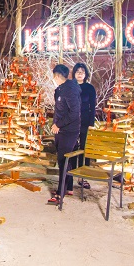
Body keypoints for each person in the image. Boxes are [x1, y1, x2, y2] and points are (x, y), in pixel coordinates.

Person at [48, 64, 81, 204]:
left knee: (63, 161)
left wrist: (58, 125)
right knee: (64, 161)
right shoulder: (60, 90)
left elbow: (74, 113)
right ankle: (67, 187)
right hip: (61, 130)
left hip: (69, 131)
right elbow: (60, 111)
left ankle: (60, 194)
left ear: (56, 76)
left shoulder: (70, 90)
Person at [72, 62, 97, 190]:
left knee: (85, 149)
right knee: (73, 149)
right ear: (74, 73)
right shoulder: (69, 87)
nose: (80, 74)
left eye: (82, 71)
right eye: (77, 71)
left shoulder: (90, 88)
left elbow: (92, 108)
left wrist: (91, 125)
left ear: (85, 74)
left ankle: (83, 177)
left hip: (85, 123)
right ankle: (72, 174)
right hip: (72, 123)